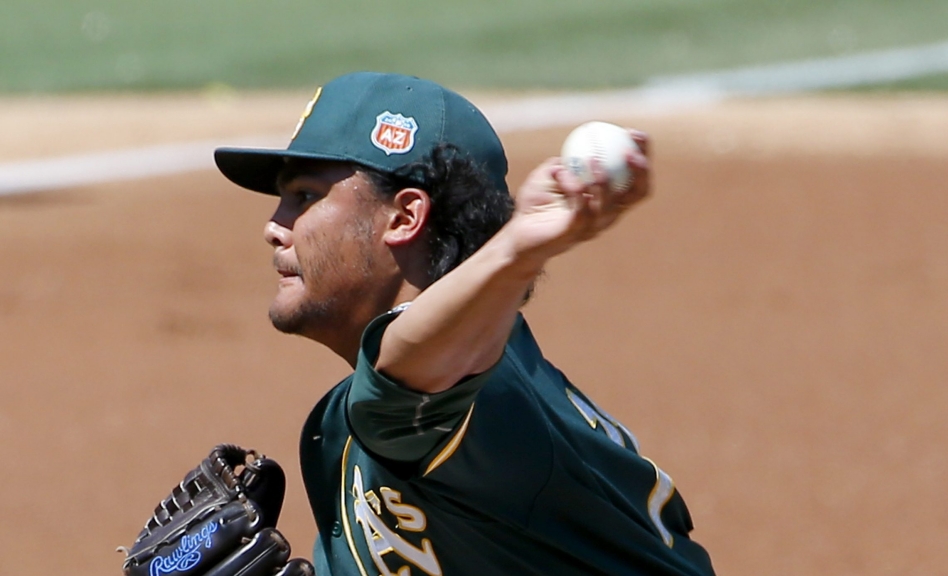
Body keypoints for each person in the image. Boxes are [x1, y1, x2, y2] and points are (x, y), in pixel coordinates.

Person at [214, 71, 715, 576]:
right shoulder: (376, 416)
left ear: (405, 217)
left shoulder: (472, 393)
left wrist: (519, 248)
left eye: (304, 196)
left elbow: (405, 380)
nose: (274, 226)